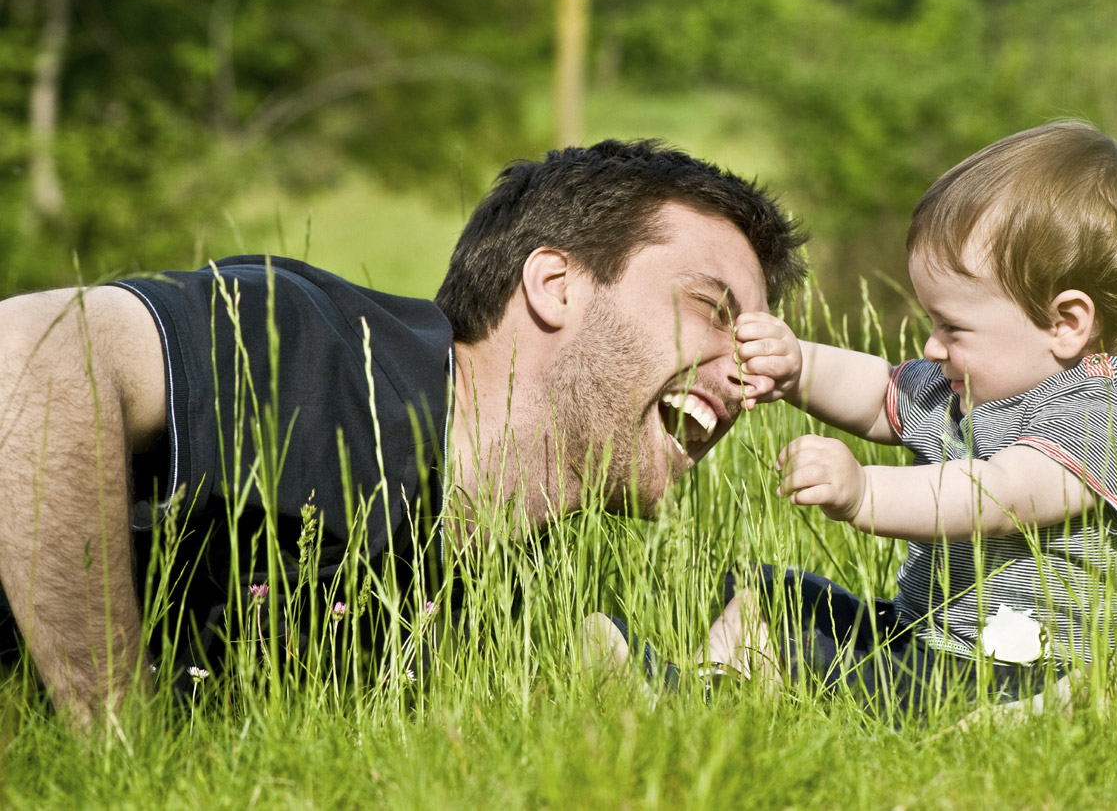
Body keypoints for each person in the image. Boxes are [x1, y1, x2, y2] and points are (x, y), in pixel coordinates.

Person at [0, 139, 808, 728]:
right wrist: (120, 743)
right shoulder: (323, 355)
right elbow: (29, 353)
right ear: (556, 286)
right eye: (714, 310)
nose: (754, 374)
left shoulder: (522, 589)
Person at [640, 121, 1117, 710]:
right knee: (772, 592)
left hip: (1027, 663)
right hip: (928, 637)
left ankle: (1089, 699)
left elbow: (997, 496)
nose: (932, 346)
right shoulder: (972, 387)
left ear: (1066, 323)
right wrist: (798, 368)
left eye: (953, 326)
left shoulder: (1107, 414)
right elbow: (879, 392)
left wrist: (863, 492)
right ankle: (708, 687)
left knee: (855, 675)